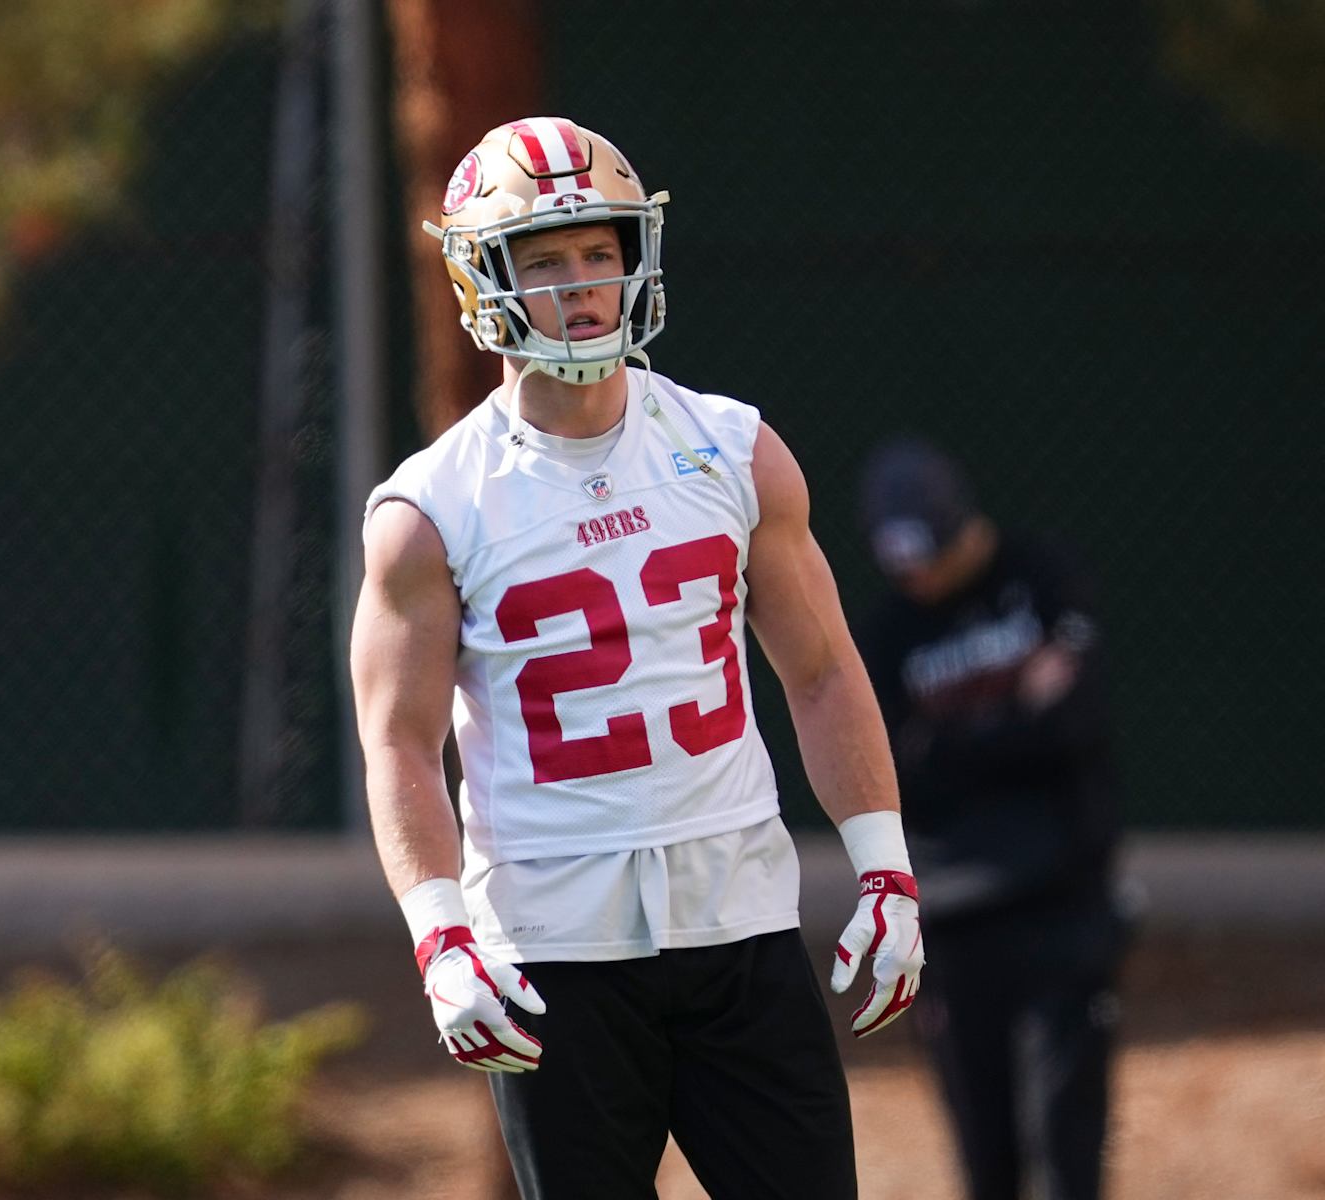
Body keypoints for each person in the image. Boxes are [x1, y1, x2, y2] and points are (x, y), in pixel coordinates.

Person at [349, 116, 925, 1200]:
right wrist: (439, 936)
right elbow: (400, 746)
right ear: (486, 280)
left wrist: (885, 866)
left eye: (601, 252)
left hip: (740, 921)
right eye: (547, 260)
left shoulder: (731, 447)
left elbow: (823, 671)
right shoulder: (431, 508)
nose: (582, 285)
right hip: (552, 942)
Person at [853, 436, 1127, 1200]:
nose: (922, 577)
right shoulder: (886, 633)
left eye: (932, 554)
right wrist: (1015, 711)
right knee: (986, 1155)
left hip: (1062, 900)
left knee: (1065, 1143)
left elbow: (1077, 722)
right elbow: (904, 770)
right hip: (954, 919)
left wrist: (958, 736)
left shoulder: (1043, 577)